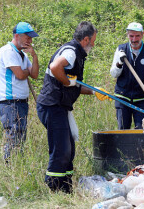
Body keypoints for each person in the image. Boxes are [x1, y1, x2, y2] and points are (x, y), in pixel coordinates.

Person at [37, 21, 110, 193]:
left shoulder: (77, 53)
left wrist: (94, 92)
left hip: (60, 106)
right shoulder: (71, 52)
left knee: (69, 148)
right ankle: (54, 188)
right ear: (85, 39)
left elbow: (73, 84)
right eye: (93, 41)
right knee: (61, 148)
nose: (93, 44)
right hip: (52, 106)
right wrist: (66, 81)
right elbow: (55, 68)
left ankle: (66, 186)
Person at [0, 22, 39, 162]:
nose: (30, 41)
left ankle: (15, 166)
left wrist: (34, 56)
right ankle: (8, 167)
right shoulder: (8, 51)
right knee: (13, 136)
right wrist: (27, 72)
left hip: (21, 102)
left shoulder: (23, 55)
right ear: (17, 36)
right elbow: (20, 75)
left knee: (20, 137)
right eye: (27, 37)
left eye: (31, 38)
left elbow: (35, 74)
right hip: (10, 102)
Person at [110, 22, 144, 129]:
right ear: (127, 35)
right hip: (122, 97)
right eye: (131, 36)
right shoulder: (121, 49)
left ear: (142, 35)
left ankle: (140, 147)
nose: (134, 39)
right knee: (123, 131)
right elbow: (114, 74)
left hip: (141, 99)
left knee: (142, 131)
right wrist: (119, 63)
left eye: (137, 36)